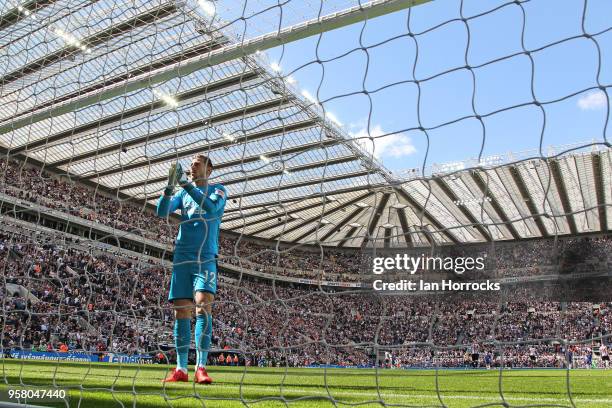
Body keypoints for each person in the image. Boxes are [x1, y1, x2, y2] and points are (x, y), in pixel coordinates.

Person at [156, 155, 228, 384]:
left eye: (197, 164)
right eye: (191, 165)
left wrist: (185, 185)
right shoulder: (182, 194)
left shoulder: (219, 190)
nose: (192, 167)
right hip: (182, 258)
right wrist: (170, 185)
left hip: (205, 258)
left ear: (209, 168)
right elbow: (161, 211)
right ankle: (180, 369)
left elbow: (211, 207)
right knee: (181, 312)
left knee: (203, 305)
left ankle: (201, 366)